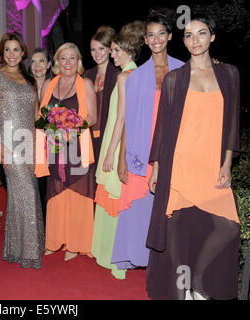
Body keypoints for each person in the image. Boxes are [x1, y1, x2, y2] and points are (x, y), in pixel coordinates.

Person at [146, 9, 241, 300]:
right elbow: (162, 128)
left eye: (202, 33)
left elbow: (233, 121)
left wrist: (226, 163)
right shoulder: (175, 79)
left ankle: (198, 278)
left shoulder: (229, 74)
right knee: (177, 230)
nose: (195, 40)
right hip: (181, 163)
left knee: (228, 226)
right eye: (189, 35)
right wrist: (158, 169)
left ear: (212, 37)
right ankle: (182, 289)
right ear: (184, 42)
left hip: (212, 164)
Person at [106, 10, 186, 278]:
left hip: (172, 147)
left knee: (169, 206)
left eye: (161, 33)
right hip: (141, 150)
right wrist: (121, 158)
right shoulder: (136, 77)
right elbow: (128, 119)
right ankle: (144, 257)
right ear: (146, 39)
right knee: (142, 205)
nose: (156, 39)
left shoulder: (182, 71)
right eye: (150, 35)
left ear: (170, 36)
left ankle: (168, 261)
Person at [91, 21, 145, 279]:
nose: (111, 54)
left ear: (126, 50)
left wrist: (111, 152)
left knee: (114, 199)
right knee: (118, 200)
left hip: (117, 143)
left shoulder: (125, 76)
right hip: (124, 143)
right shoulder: (137, 73)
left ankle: (114, 258)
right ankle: (118, 256)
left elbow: (121, 118)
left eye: (114, 50)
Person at [0, 32, 45, 268]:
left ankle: (24, 246)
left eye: (16, 50)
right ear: (2, 52)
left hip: (30, 141)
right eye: (7, 50)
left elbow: (35, 112)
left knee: (29, 192)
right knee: (26, 193)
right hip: (9, 142)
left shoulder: (29, 79)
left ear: (23, 53)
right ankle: (28, 252)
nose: (11, 54)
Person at [36, 42, 97, 262]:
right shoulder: (48, 84)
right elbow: (40, 114)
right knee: (56, 191)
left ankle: (76, 242)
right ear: (57, 62)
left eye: (72, 58)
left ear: (78, 61)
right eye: (64, 58)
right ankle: (55, 239)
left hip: (78, 147)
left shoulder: (86, 84)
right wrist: (50, 127)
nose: (68, 63)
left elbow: (92, 117)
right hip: (53, 147)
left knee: (77, 192)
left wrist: (72, 129)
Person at [83, 27, 121, 177]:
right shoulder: (87, 75)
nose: (97, 54)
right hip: (88, 139)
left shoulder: (118, 75)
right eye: (93, 50)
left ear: (110, 50)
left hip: (109, 138)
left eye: (101, 48)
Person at [27, 47, 53, 226]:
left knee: (46, 186)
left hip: (49, 142)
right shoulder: (25, 86)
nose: (37, 65)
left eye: (41, 61)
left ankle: (47, 226)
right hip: (26, 140)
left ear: (49, 64)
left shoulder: (55, 84)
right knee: (30, 187)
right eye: (34, 61)